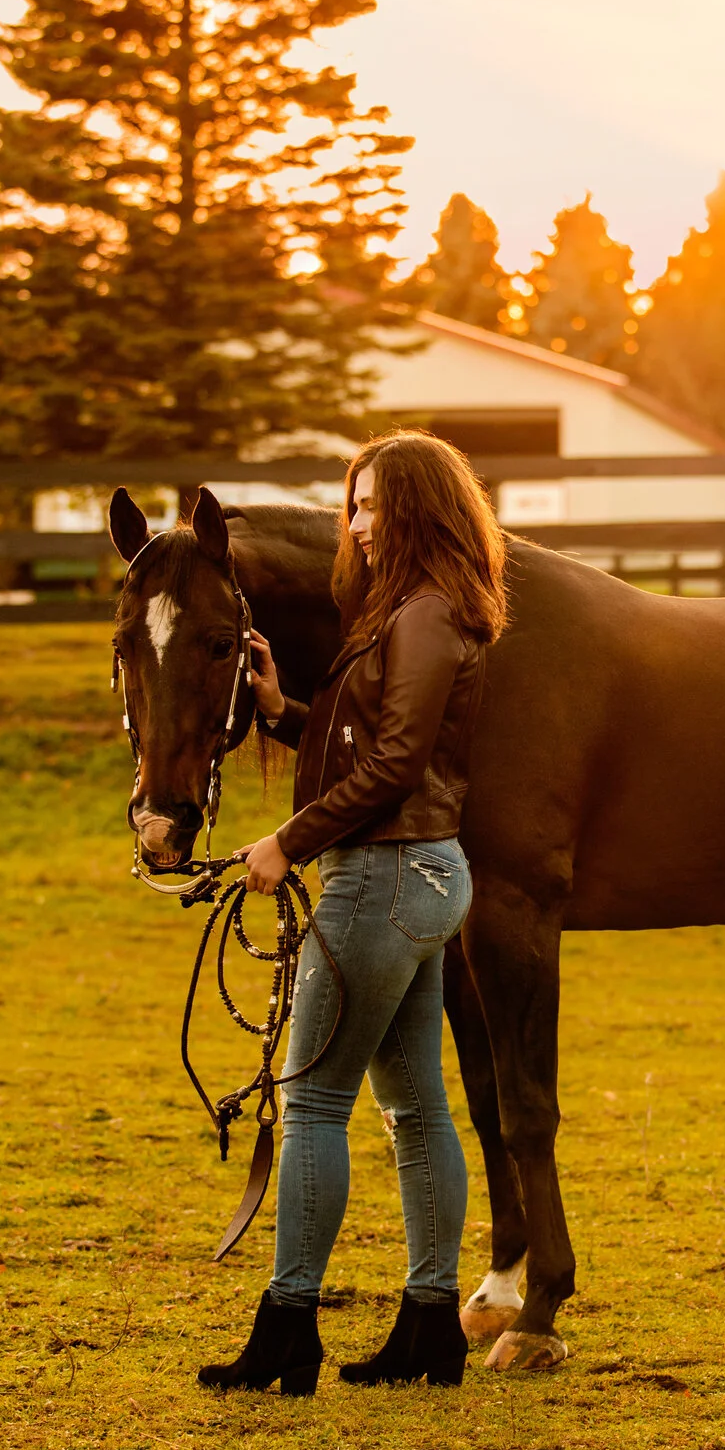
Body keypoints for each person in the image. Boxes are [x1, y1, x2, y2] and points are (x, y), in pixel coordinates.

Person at [196, 431, 509, 1396]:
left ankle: (288, 1331)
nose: (357, 523)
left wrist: (286, 842)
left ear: (415, 508)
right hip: (421, 875)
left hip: (384, 876)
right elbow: (369, 743)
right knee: (417, 1109)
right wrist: (286, 710)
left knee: (316, 1101)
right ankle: (428, 1329)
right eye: (354, 504)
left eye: (372, 505)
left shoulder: (419, 616)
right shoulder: (420, 610)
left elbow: (394, 765)